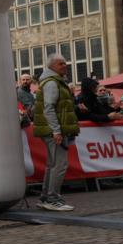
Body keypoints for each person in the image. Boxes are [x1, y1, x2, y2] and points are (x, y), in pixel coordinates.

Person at [33, 53, 78, 212]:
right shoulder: (52, 83)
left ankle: (46, 198)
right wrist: (56, 131)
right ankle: (52, 198)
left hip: (52, 129)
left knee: (52, 165)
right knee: (59, 165)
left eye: (65, 63)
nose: (65, 66)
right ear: (52, 66)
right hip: (55, 130)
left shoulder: (53, 81)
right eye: (61, 64)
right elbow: (49, 108)